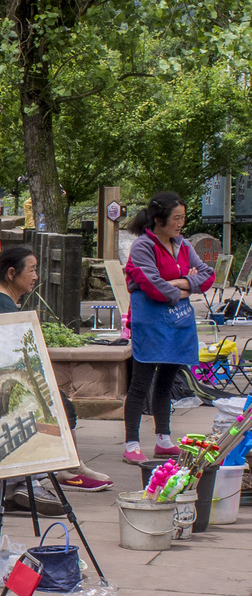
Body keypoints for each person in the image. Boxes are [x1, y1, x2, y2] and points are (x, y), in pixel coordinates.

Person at [0, 245, 111, 495]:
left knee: (62, 402)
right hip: (3, 384)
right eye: (32, 270)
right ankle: (67, 468)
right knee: (57, 404)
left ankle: (70, 466)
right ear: (12, 273)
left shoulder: (3, 301)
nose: (36, 276)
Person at [122, 191, 214, 465]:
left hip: (178, 321)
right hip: (150, 322)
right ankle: (131, 442)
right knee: (141, 383)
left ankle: (164, 439)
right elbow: (151, 285)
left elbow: (207, 275)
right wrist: (186, 285)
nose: (180, 224)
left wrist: (174, 284)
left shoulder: (183, 245)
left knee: (166, 381)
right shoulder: (143, 246)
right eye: (176, 218)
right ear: (159, 219)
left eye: (183, 218)